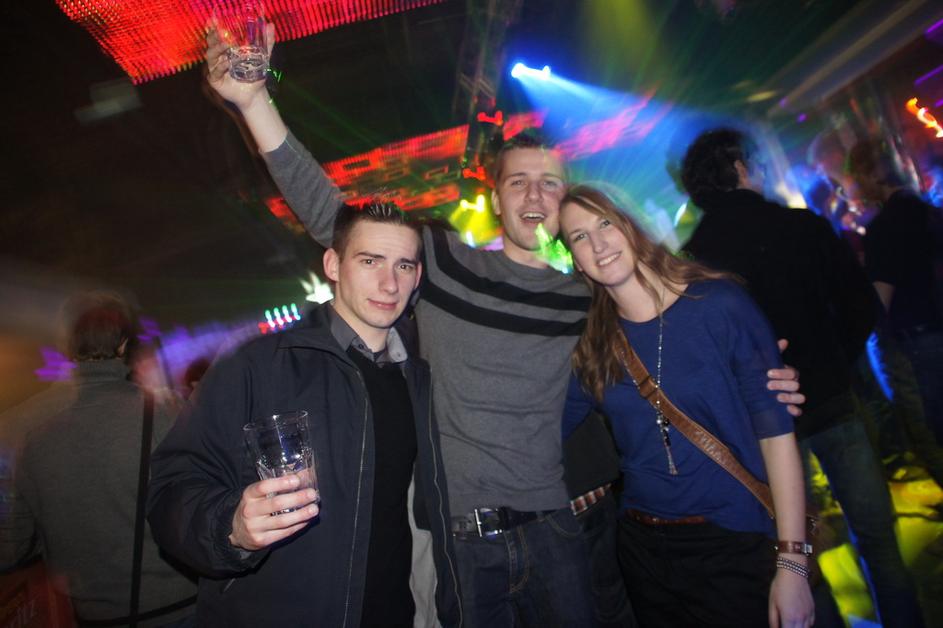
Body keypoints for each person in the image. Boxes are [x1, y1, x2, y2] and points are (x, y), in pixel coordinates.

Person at [201, 25, 804, 627]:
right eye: (518, 182)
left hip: (557, 531)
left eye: (549, 184)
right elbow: (332, 215)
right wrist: (255, 104)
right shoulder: (442, 264)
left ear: (565, 202)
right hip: (462, 544)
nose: (534, 196)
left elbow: (670, 347)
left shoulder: (586, 301)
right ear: (496, 199)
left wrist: (760, 375)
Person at [147, 202, 461, 628]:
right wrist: (231, 528)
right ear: (333, 265)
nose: (389, 283)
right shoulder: (257, 364)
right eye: (370, 261)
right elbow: (172, 487)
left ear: (417, 276)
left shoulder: (418, 379)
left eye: (403, 266)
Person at [681, 128, 925, 628]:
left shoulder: (694, 259)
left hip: (764, 428)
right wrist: (833, 360)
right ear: (741, 168)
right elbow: (862, 306)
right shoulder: (801, 227)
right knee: (877, 537)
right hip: (831, 402)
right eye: (756, 162)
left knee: (796, 554)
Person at [559, 184, 814, 628]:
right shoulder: (591, 345)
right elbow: (543, 427)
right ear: (574, 259)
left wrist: (793, 563)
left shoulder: (718, 304)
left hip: (733, 540)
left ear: (631, 224)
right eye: (579, 236)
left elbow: (777, 438)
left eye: (605, 223)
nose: (597, 244)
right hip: (643, 551)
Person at [0, 290, 197, 627]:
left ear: (67, 348)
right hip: (183, 605)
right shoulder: (164, 412)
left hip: (97, 617)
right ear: (123, 344)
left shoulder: (27, 434)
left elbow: (11, 548)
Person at [849, 139, 943, 446]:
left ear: (873, 173)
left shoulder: (883, 228)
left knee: (931, 428)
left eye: (858, 176)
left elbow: (880, 300)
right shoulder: (931, 212)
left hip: (919, 339)